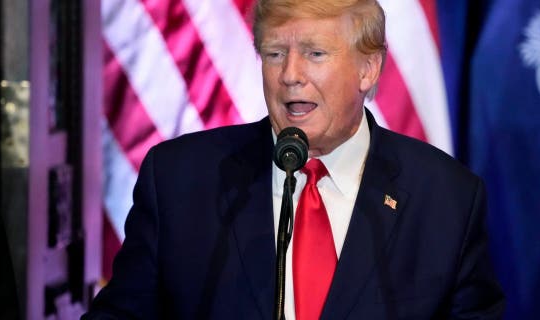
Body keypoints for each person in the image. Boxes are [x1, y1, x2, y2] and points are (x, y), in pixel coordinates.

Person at [84, 0, 505, 319]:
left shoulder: (445, 197)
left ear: (368, 69)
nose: (290, 74)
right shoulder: (179, 180)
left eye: (315, 53)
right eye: (274, 54)